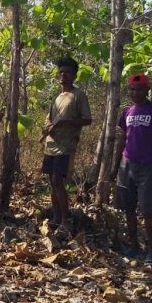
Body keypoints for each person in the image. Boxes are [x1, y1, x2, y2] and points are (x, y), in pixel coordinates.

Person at [111, 73, 152, 264]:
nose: (135, 92)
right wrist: (114, 166)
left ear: (147, 90)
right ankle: (133, 245)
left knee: (147, 209)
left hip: (147, 166)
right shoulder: (127, 113)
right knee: (128, 208)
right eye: (132, 89)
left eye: (139, 89)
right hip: (127, 165)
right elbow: (121, 140)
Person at [41, 57, 92, 230]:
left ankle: (65, 220)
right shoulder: (57, 98)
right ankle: (55, 217)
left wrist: (66, 123)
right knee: (52, 181)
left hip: (65, 146)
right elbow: (48, 120)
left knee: (58, 180)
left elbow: (87, 120)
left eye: (67, 72)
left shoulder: (78, 95)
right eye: (61, 72)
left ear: (74, 75)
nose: (63, 75)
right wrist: (47, 128)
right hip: (50, 145)